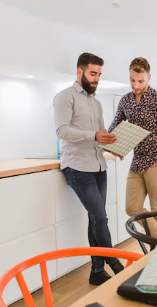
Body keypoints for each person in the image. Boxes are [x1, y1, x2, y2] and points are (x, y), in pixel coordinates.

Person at [53, 52, 124, 285]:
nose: (96, 79)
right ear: (80, 71)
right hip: (77, 167)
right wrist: (93, 135)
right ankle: (115, 264)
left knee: (96, 219)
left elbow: (100, 136)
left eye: (99, 75)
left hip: (99, 166)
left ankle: (96, 272)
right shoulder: (65, 97)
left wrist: (113, 146)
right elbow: (61, 130)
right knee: (100, 218)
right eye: (93, 73)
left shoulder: (96, 102)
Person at [108, 57, 157, 241]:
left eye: (140, 81)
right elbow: (114, 127)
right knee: (132, 208)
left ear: (149, 78)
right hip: (137, 163)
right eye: (132, 80)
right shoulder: (125, 101)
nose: (135, 85)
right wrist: (115, 147)